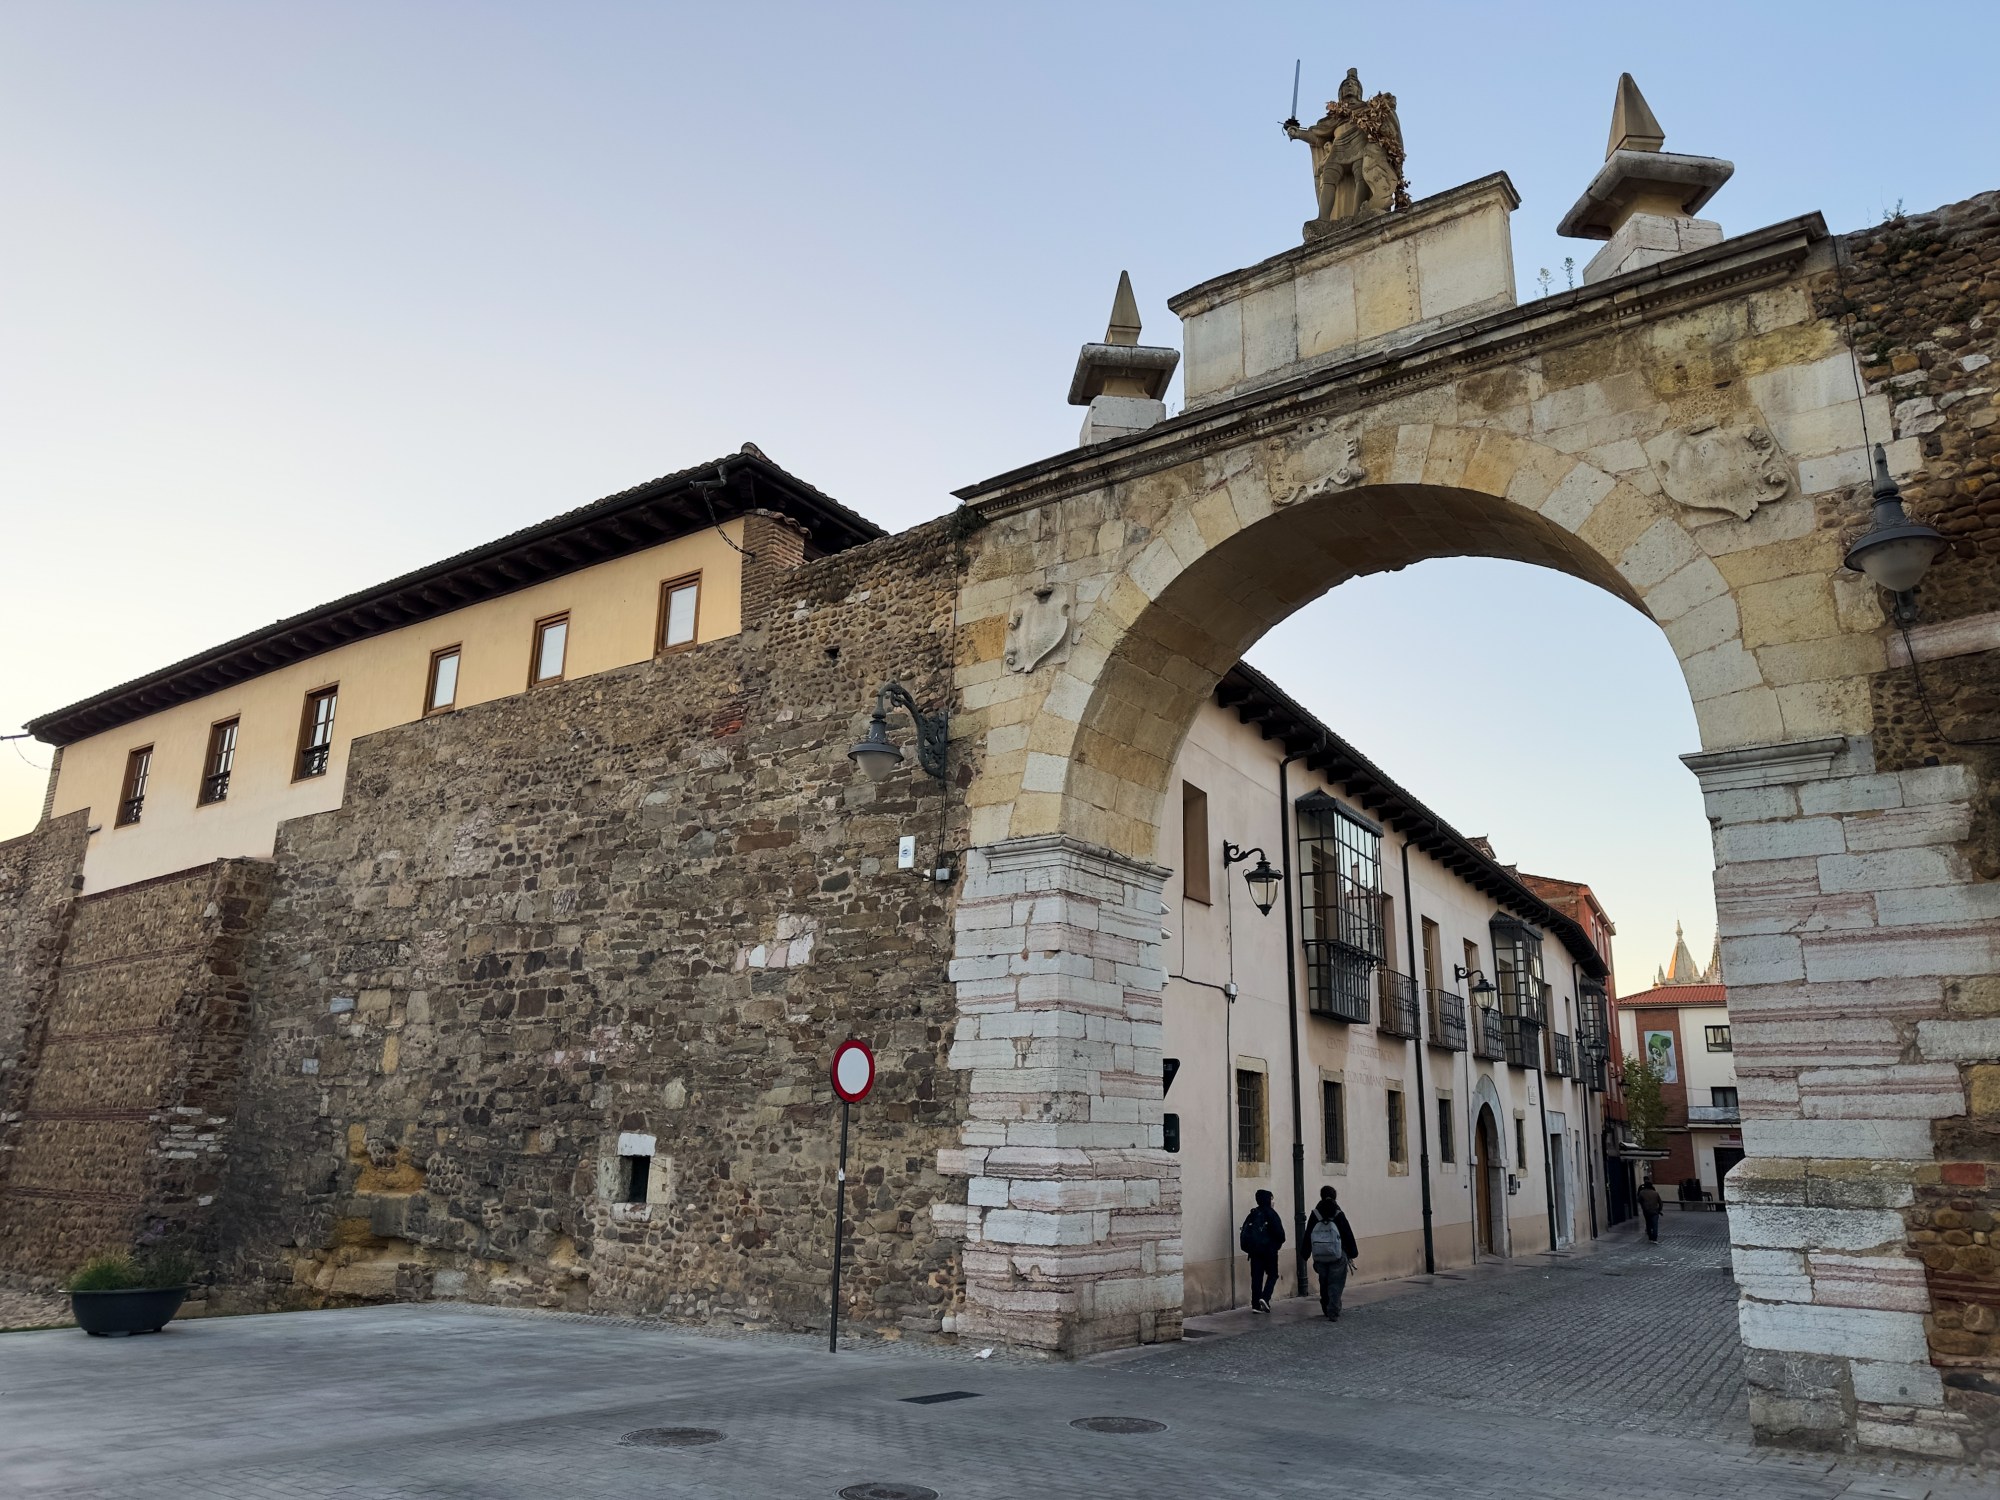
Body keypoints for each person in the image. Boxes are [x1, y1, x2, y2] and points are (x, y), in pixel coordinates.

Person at [1306, 1186, 1359, 1320]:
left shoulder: (1315, 1214)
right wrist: (1353, 1252)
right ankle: (1333, 1309)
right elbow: (1347, 1233)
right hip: (1337, 1254)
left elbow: (1308, 1234)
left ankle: (1325, 1305)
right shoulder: (1338, 1213)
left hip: (1320, 1255)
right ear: (1334, 1196)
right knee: (1336, 1283)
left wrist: (1305, 1253)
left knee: (1324, 1282)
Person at [1239, 1188, 1286, 1312]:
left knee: (1256, 1277)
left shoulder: (1253, 1213)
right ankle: (1265, 1297)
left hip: (1254, 1252)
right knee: (1273, 1275)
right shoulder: (1271, 1213)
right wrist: (1275, 1245)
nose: (1273, 1201)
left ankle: (1255, 1305)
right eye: (1271, 1198)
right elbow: (1280, 1234)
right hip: (1269, 1251)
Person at [1638, 1177, 1664, 1242]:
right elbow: (1660, 1203)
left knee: (1648, 1223)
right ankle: (1654, 1238)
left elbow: (1639, 1200)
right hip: (1655, 1211)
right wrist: (1659, 1210)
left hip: (1646, 1211)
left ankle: (1650, 1237)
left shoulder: (1642, 1192)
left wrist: (1643, 1206)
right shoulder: (1655, 1193)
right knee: (1655, 1225)